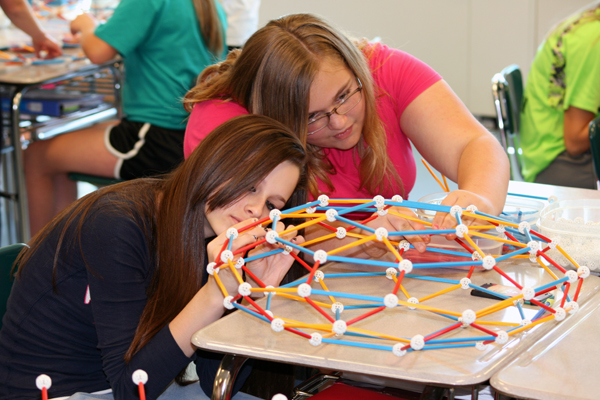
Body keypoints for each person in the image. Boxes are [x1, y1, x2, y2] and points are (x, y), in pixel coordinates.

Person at [0, 114, 308, 400]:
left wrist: (251, 295)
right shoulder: (116, 225)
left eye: (272, 204)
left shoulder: (212, 235)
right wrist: (218, 290)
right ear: (214, 163)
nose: (256, 208)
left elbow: (215, 382)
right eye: (250, 185)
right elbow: (132, 390)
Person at [183, 13, 510, 254]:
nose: (338, 123)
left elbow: (475, 144)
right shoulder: (223, 121)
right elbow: (259, 234)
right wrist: (360, 237)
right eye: (312, 117)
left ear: (359, 70)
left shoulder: (385, 71)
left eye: (343, 97)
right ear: (273, 118)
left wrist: (480, 198)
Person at [23, 0, 228, 236]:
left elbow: (97, 51)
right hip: (188, 134)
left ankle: (34, 261)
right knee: (62, 153)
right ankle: (60, 253)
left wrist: (86, 25)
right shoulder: (210, 5)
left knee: (36, 155)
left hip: (154, 137)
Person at [520, 1, 600, 189]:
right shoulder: (594, 41)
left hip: (540, 153)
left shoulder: (587, 22)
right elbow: (574, 141)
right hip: (558, 163)